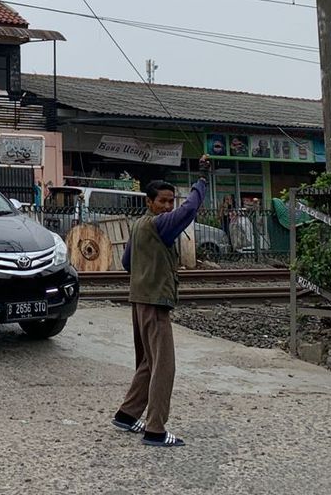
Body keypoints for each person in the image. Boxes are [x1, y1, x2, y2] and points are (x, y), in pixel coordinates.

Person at [112, 155, 210, 449]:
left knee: (148, 362)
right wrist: (202, 180)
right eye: (163, 201)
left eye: (171, 201)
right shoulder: (162, 225)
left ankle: (127, 415)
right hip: (155, 304)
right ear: (149, 202)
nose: (168, 206)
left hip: (139, 301)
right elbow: (190, 208)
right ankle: (155, 429)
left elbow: (127, 261)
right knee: (164, 366)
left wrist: (147, 271)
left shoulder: (139, 225)